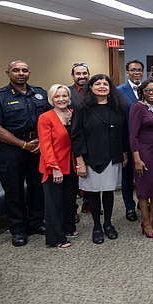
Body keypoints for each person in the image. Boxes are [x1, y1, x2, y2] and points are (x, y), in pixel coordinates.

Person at [0, 60, 49, 247]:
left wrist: (41, 142)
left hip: (37, 148)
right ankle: (17, 229)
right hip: (11, 150)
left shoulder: (40, 94)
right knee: (14, 191)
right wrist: (23, 144)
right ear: (8, 73)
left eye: (24, 70)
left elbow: (50, 119)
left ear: (29, 73)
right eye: (16, 70)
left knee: (37, 188)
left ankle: (35, 223)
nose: (21, 73)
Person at [72, 74, 129, 244]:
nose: (102, 86)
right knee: (94, 194)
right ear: (91, 87)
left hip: (113, 156)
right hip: (91, 159)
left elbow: (123, 132)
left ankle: (108, 224)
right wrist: (79, 161)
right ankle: (96, 226)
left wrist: (124, 153)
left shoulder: (117, 107)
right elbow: (76, 135)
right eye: (98, 84)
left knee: (109, 192)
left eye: (106, 84)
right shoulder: (82, 108)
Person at [38, 84, 77, 248]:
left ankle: (68, 227)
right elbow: (45, 146)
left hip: (72, 164)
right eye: (57, 96)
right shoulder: (45, 118)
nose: (61, 99)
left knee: (69, 199)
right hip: (54, 165)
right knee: (55, 203)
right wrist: (54, 168)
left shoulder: (74, 114)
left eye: (64, 96)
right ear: (51, 99)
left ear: (69, 98)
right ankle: (56, 238)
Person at [129, 79, 153, 238]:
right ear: (142, 92)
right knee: (144, 189)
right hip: (144, 154)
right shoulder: (138, 108)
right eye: (147, 90)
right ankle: (145, 222)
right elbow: (133, 135)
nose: (151, 93)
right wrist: (137, 158)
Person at [117, 59, 144, 222]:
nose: (136, 72)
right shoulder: (119, 91)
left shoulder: (149, 89)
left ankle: (143, 201)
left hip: (145, 141)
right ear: (127, 72)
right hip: (127, 140)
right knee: (127, 176)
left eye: (139, 70)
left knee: (144, 173)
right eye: (133, 70)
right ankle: (129, 207)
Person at [68, 62, 90, 218]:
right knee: (73, 175)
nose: (82, 76)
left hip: (91, 139)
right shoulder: (67, 93)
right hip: (71, 138)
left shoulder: (94, 90)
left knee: (89, 172)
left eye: (84, 73)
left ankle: (88, 203)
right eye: (78, 74)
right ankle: (72, 208)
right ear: (73, 76)